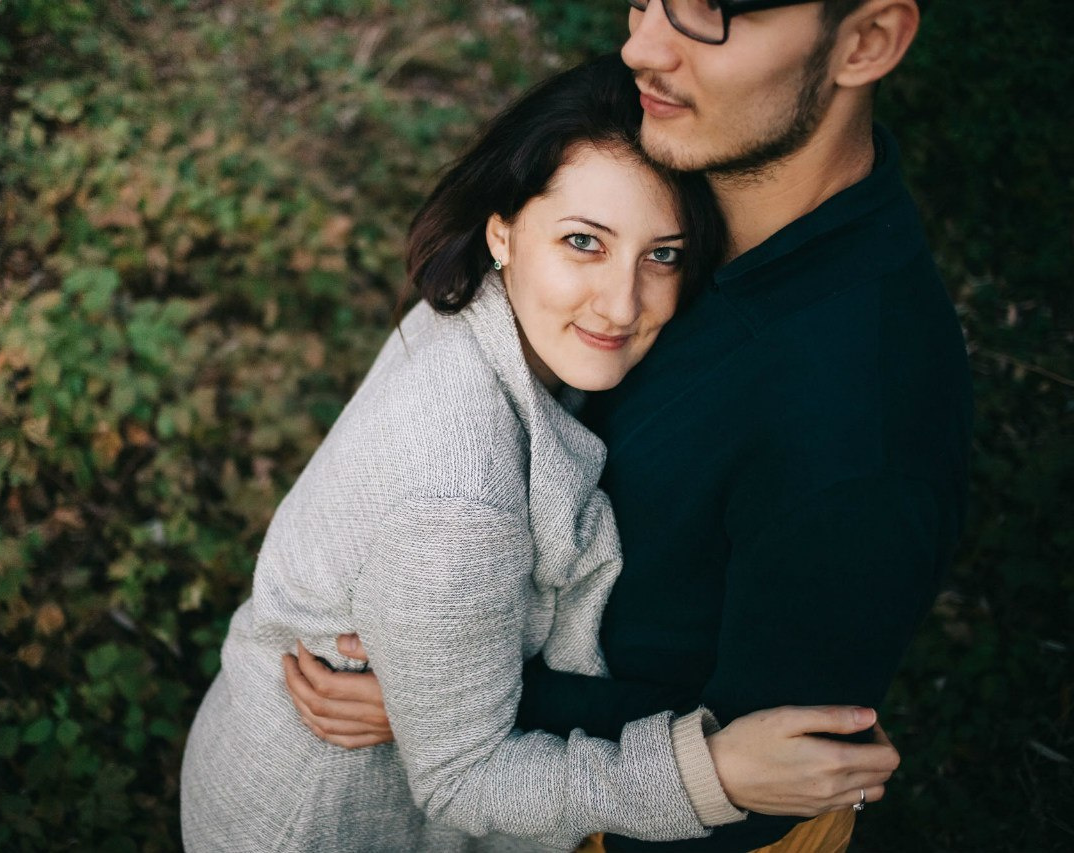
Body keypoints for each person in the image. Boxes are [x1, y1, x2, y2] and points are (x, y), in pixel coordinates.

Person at [282, 1, 973, 851]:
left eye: (713, 13)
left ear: (865, 42)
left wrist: (451, 702)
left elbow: (762, 776)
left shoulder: (857, 428)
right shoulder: (675, 192)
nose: (641, 46)